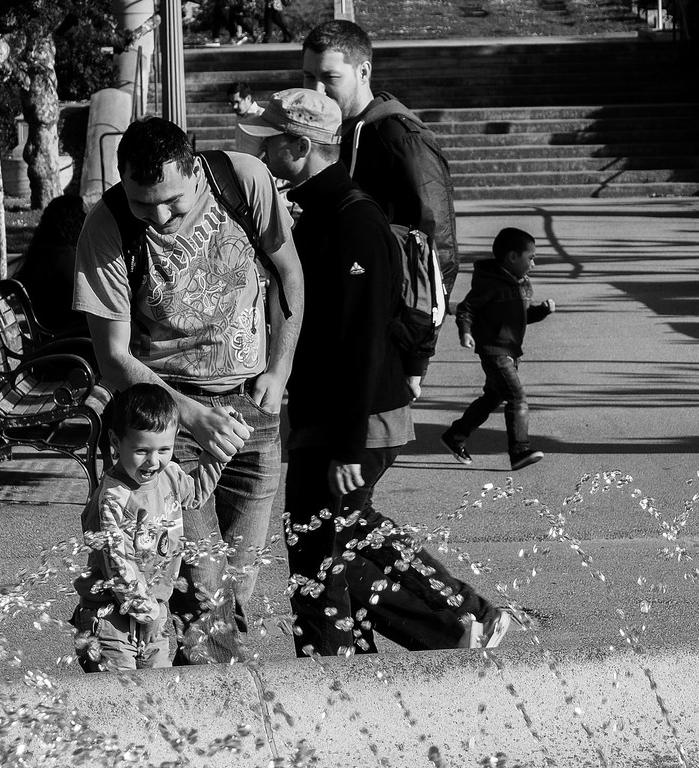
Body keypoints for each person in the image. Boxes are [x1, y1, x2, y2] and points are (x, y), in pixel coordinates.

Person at [241, 88, 509, 656]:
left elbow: (361, 340)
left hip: (357, 415)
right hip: (331, 409)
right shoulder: (315, 209)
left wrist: (347, 445)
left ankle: (462, 612)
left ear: (301, 145)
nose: (261, 156)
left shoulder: (354, 218)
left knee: (330, 534)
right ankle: (372, 656)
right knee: (323, 543)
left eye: (269, 144)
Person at [73, 116, 304, 664]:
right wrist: (194, 417)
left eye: (172, 203)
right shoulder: (106, 228)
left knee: (236, 588)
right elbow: (113, 357)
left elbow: (289, 276)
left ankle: (185, 701)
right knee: (201, 588)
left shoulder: (243, 180)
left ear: (195, 172)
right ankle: (218, 713)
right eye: (141, 203)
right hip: (167, 423)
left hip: (254, 407)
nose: (157, 217)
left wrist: (280, 369)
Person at [302, 20, 459, 399]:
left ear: (364, 71)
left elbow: (436, 249)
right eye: (308, 77)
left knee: (360, 449)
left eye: (329, 78)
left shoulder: (400, 139)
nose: (316, 90)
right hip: (339, 326)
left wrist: (416, 356)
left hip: (383, 334)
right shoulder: (335, 132)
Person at [71, 383, 226, 671]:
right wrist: (146, 608)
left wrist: (219, 454)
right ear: (116, 442)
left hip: (156, 610)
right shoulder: (114, 496)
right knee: (120, 699)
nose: (153, 462)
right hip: (110, 618)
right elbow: (117, 563)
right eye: (142, 451)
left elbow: (196, 495)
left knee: (158, 695)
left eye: (164, 449)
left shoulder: (170, 474)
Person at [441, 227, 556, 471]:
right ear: (513, 257)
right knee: (516, 397)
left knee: (492, 397)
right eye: (531, 258)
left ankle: (456, 436)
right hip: (494, 350)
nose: (534, 264)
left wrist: (542, 311)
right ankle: (519, 451)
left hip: (511, 351)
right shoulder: (490, 283)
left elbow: (522, 316)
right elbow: (466, 308)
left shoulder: (522, 284)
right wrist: (465, 331)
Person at [11, 194, 88, 336]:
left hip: (59, 331)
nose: (86, 218)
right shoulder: (64, 259)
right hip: (69, 337)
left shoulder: (46, 252)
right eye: (83, 214)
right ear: (72, 221)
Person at [227, 82, 266, 155]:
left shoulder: (262, 115)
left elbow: (268, 147)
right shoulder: (239, 116)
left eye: (237, 102)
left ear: (248, 98)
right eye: (232, 103)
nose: (234, 106)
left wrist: (257, 163)